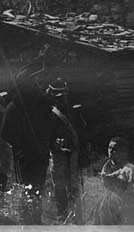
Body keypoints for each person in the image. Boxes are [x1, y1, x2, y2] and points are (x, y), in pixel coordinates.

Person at [1, 45, 55, 224]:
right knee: (35, 188)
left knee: (29, 187)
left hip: (28, 155)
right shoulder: (42, 104)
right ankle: (33, 220)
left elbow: (5, 133)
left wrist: (18, 145)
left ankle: (30, 221)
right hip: (36, 153)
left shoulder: (15, 107)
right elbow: (52, 128)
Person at [47, 78, 84, 224]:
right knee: (59, 185)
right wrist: (53, 143)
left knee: (73, 184)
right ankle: (62, 214)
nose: (61, 99)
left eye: (63, 96)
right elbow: (45, 134)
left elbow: (82, 129)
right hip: (58, 153)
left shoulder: (74, 110)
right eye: (58, 97)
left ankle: (77, 215)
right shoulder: (49, 113)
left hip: (73, 152)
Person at [92, 137, 134, 225]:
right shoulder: (106, 167)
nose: (111, 151)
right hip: (106, 205)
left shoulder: (130, 169)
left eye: (115, 149)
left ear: (122, 152)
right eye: (109, 148)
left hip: (123, 206)